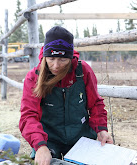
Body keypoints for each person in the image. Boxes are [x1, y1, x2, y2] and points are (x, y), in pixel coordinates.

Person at [19, 26, 113, 165]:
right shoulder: (34, 77)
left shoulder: (83, 71)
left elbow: (96, 105)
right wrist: (40, 145)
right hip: (48, 139)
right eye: (51, 59)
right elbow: (28, 115)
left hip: (80, 138)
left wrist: (101, 130)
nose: (56, 65)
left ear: (70, 57)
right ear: (45, 56)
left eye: (62, 60)